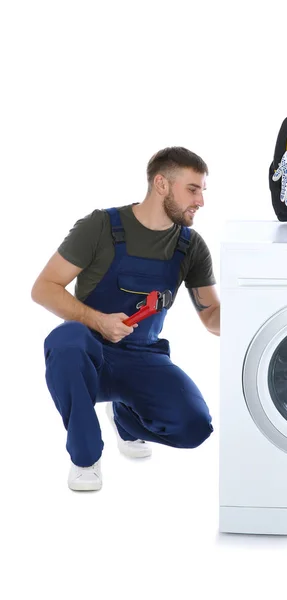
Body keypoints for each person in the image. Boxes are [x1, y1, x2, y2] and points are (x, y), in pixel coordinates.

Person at [31, 147, 219, 491]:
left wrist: (259, 311)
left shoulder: (190, 246)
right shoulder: (100, 227)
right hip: (91, 354)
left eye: (203, 190)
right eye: (193, 189)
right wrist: (98, 321)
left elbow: (212, 317)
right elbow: (44, 288)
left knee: (195, 428)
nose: (201, 201)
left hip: (145, 358)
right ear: (161, 184)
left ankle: (127, 420)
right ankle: (85, 458)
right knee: (65, 341)